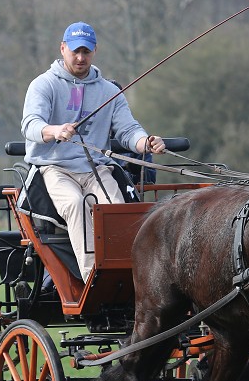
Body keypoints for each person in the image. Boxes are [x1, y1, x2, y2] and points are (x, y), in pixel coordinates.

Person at [21, 21, 166, 283]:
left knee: (115, 208)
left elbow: (128, 130)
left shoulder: (109, 92)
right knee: (76, 203)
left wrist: (146, 142)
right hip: (54, 168)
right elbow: (30, 125)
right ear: (62, 48)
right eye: (75, 51)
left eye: (86, 52)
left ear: (94, 51)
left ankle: (126, 277)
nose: (80, 57)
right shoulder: (43, 85)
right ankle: (94, 278)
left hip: (96, 169)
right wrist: (54, 131)